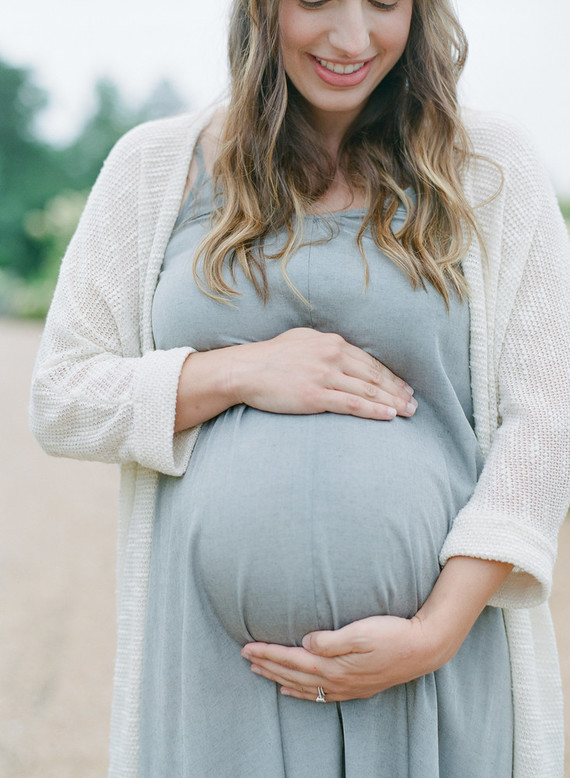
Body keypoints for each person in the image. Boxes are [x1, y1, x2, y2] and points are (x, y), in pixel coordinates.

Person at [30, 0, 570, 775]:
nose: (352, 39)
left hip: (436, 674)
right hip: (215, 681)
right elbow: (62, 397)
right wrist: (239, 370)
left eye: (384, 3)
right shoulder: (155, 166)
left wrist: (433, 635)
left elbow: (549, 418)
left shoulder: (489, 165)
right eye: (316, 0)